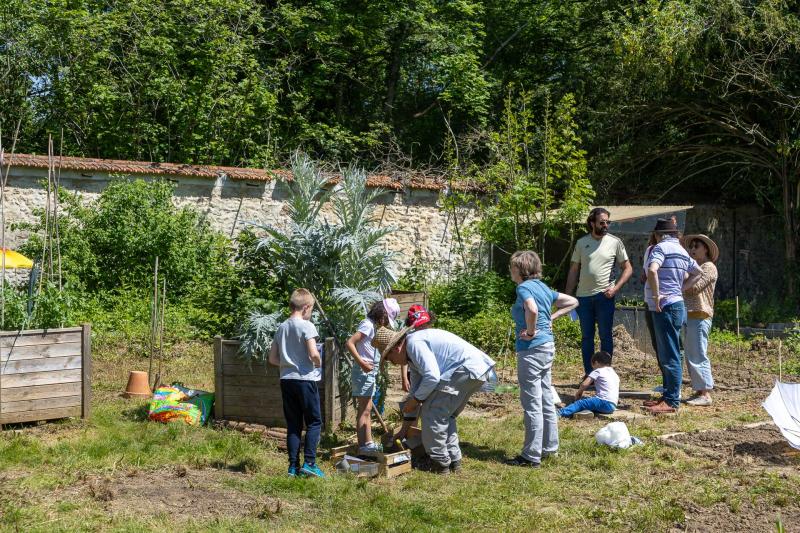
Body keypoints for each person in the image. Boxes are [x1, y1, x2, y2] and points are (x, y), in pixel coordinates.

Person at [375, 324, 495, 475]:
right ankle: (453, 461)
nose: (393, 363)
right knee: (446, 415)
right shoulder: (412, 354)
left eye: (390, 359)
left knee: (432, 413)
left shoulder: (414, 345)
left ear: (395, 349)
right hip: (475, 370)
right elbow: (416, 390)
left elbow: (432, 377)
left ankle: (439, 463)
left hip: (464, 368)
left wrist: (416, 400)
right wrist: (405, 425)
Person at [505, 250, 578, 467]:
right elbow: (573, 301)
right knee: (546, 398)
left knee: (532, 402)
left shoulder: (524, 287)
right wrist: (551, 319)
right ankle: (549, 448)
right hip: (547, 347)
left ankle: (531, 455)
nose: (510, 271)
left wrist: (530, 330)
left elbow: (532, 309)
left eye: (512, 267)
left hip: (531, 349)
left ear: (520, 269)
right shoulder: (543, 288)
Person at [565, 207, 633, 378]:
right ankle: (589, 374)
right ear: (592, 223)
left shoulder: (615, 242)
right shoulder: (581, 243)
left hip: (605, 297)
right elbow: (573, 270)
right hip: (583, 297)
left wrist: (616, 288)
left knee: (606, 336)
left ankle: (604, 374)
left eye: (608, 222)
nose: (605, 225)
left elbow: (628, 268)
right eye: (602, 222)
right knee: (587, 337)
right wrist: (567, 296)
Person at [644, 219, 702, 414]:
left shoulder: (660, 248)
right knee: (673, 351)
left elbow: (652, 270)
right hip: (678, 304)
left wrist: (656, 295)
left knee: (669, 355)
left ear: (660, 234)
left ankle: (671, 401)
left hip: (666, 307)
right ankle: (668, 396)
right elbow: (698, 272)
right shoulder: (682, 251)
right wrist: (680, 288)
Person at [268, 288, 324, 478]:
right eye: (311, 310)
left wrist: (288, 364)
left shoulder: (282, 327)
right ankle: (309, 463)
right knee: (314, 422)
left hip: (286, 380)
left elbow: (272, 358)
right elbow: (313, 353)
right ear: (307, 307)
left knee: (293, 424)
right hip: (305, 380)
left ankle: (293, 467)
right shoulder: (307, 326)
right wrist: (318, 362)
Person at [344, 298, 400, 453]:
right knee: (364, 410)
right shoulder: (367, 325)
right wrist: (362, 363)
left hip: (368, 372)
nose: (386, 323)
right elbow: (350, 343)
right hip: (363, 372)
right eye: (386, 319)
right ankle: (363, 446)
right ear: (381, 313)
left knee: (367, 408)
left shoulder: (372, 326)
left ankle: (368, 443)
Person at [682, 234, 719, 406]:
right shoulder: (694, 267)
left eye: (697, 246)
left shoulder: (709, 267)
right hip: (689, 314)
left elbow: (694, 288)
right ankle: (699, 390)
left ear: (706, 249)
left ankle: (705, 394)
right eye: (692, 246)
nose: (693, 249)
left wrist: (680, 282)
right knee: (691, 354)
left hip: (701, 313)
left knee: (698, 353)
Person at [559, 351, 619, 417]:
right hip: (612, 406)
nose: (593, 368)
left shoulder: (598, 370)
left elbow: (584, 384)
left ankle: (560, 413)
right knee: (589, 404)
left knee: (580, 403)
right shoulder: (614, 373)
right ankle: (585, 413)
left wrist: (579, 393)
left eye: (592, 366)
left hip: (604, 401)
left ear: (596, 363)